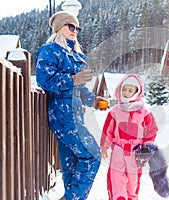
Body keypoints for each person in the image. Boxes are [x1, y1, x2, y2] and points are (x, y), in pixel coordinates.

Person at [35, 11, 101, 200]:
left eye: (77, 28)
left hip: (75, 113)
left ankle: (70, 196)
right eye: (70, 26)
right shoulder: (50, 50)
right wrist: (72, 79)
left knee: (71, 162)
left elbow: (80, 89)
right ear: (59, 28)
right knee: (92, 154)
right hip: (62, 114)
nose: (75, 31)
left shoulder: (76, 55)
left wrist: (94, 100)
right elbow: (44, 80)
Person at [100, 74, 158, 200]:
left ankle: (132, 197)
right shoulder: (115, 111)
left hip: (136, 150)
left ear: (137, 92)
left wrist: (147, 148)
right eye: (124, 89)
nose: (126, 92)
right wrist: (105, 146)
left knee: (133, 179)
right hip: (118, 149)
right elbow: (108, 129)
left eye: (130, 90)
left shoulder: (144, 112)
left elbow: (151, 131)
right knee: (115, 176)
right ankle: (118, 197)